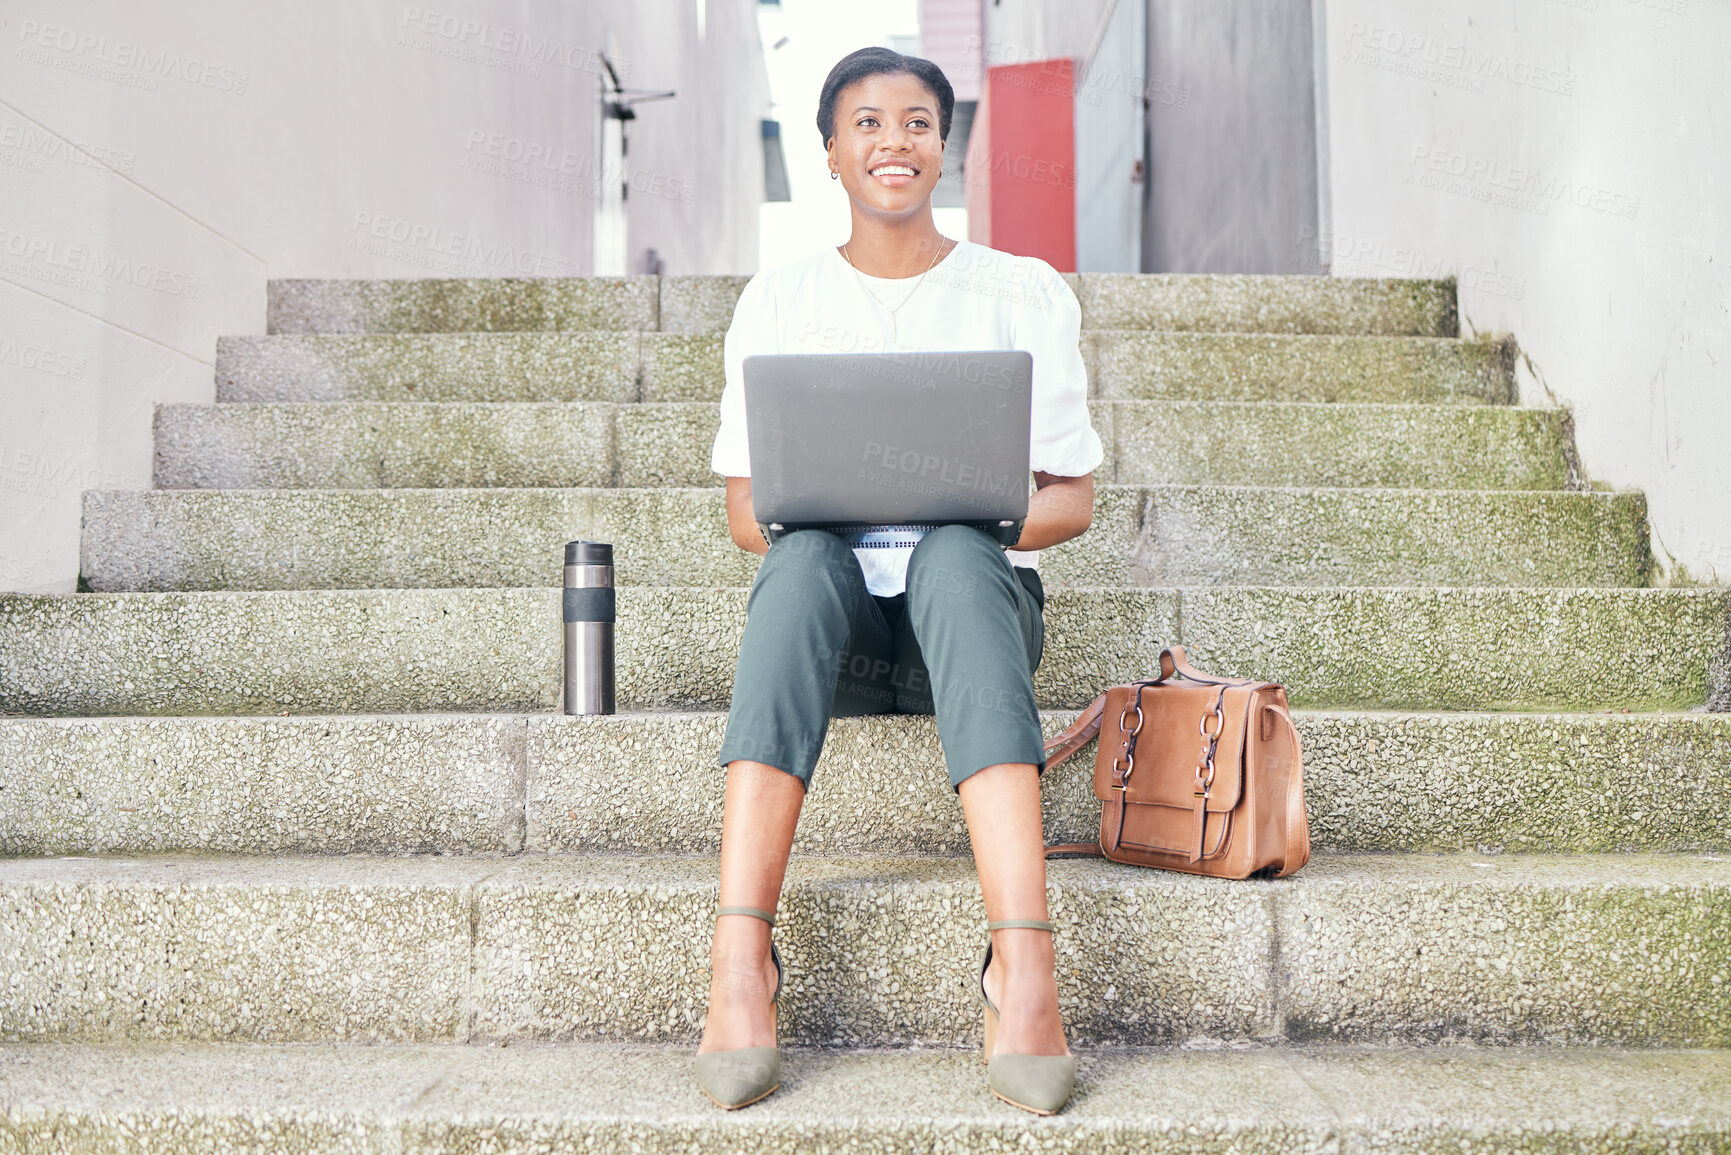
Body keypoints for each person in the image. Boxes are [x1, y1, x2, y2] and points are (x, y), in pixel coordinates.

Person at [693, 45, 1102, 1117]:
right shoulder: (777, 305)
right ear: (831, 152)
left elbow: (1074, 498)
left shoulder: (1019, 293)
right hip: (835, 647)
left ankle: (1025, 965)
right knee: (799, 554)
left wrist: (952, 508)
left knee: (962, 550)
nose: (894, 142)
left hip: (974, 636)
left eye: (917, 122)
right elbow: (746, 512)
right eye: (867, 123)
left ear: (943, 146)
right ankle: (741, 962)